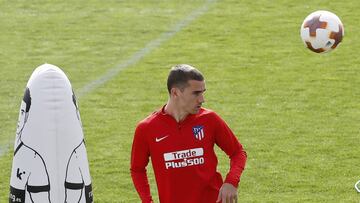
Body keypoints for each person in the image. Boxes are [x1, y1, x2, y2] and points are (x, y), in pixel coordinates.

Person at [130, 64, 247, 203]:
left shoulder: (210, 119)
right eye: (196, 93)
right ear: (175, 93)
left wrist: (231, 181)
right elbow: (137, 169)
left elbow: (238, 152)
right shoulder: (147, 128)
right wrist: (146, 200)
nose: (202, 99)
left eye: (203, 92)